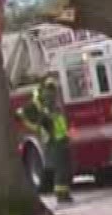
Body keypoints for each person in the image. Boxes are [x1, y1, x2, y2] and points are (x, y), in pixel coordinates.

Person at [19, 76, 74, 205]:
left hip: (61, 140)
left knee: (65, 168)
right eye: (51, 90)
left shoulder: (53, 108)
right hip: (55, 142)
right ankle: (61, 195)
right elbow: (40, 125)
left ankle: (64, 193)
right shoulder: (47, 109)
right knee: (61, 169)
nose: (53, 95)